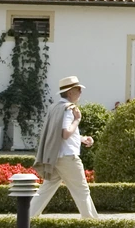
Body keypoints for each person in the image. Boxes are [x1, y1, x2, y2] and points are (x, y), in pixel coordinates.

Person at [31, 76, 98, 219]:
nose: (80, 92)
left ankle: (25, 218)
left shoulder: (55, 107)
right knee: (82, 191)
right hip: (68, 157)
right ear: (70, 92)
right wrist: (77, 119)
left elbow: (59, 133)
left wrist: (81, 139)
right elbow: (66, 133)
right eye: (78, 89)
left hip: (55, 157)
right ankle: (91, 222)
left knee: (45, 190)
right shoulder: (69, 109)